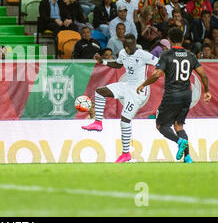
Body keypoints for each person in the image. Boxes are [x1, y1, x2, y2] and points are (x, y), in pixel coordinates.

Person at [137, 27, 211, 163]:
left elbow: (157, 74)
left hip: (172, 95)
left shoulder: (166, 55)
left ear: (169, 40)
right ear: (182, 39)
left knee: (161, 125)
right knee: (179, 126)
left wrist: (143, 84)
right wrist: (206, 91)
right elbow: (203, 75)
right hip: (186, 95)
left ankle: (179, 141)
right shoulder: (190, 55)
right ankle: (187, 157)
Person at [82, 33, 159, 163]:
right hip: (127, 85)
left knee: (124, 120)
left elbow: (159, 63)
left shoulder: (143, 54)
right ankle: (98, 123)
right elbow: (118, 65)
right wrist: (103, 61)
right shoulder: (123, 53)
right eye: (126, 46)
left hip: (138, 91)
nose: (128, 49)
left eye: (130, 46)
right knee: (100, 92)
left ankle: (126, 154)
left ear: (134, 44)